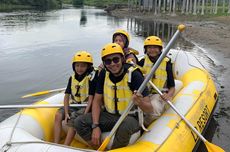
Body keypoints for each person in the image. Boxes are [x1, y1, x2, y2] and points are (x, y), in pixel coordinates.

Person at [74, 43, 153, 149]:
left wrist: (140, 102)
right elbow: (97, 101)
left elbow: (149, 109)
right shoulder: (103, 74)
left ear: (122, 59)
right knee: (79, 122)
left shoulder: (134, 75)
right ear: (104, 63)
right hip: (110, 116)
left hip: (131, 117)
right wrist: (95, 125)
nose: (112, 64)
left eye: (116, 59)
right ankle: (98, 148)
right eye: (108, 61)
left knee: (125, 125)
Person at [53, 51, 98, 145]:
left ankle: (65, 146)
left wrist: (85, 114)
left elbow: (91, 98)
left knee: (74, 119)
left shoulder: (91, 78)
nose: (79, 68)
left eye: (83, 66)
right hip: (74, 104)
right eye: (77, 66)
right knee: (58, 115)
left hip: (86, 106)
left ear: (88, 67)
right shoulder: (72, 78)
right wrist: (66, 112)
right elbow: (66, 97)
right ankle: (56, 143)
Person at [138, 36, 175, 126]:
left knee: (154, 111)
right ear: (146, 49)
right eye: (149, 47)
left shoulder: (167, 63)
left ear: (160, 49)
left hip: (159, 95)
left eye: (155, 47)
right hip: (144, 94)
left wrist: (168, 95)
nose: (152, 50)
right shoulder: (142, 62)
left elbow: (172, 87)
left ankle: (145, 126)